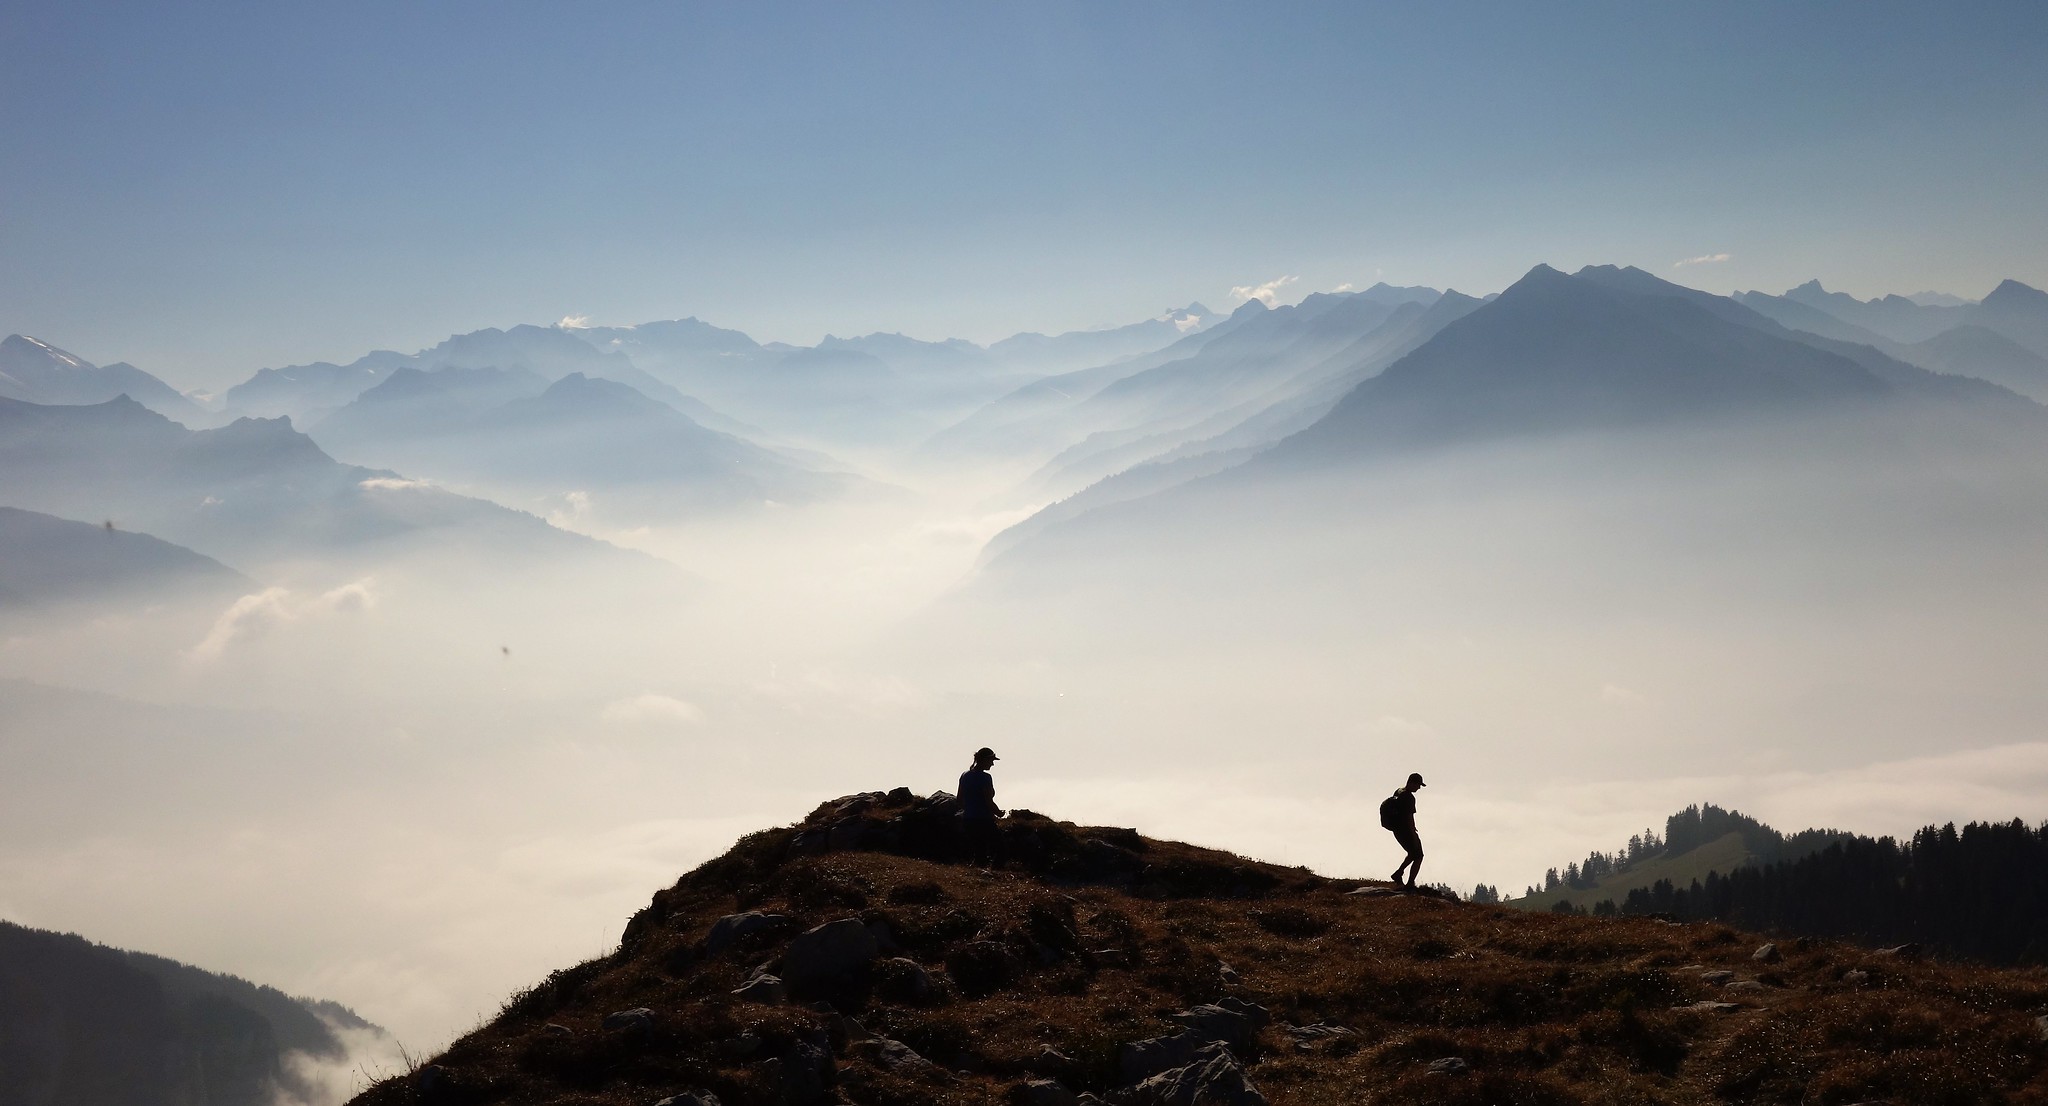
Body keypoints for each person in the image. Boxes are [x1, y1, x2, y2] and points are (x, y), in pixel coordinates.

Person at [958, 746, 1005, 867]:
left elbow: (959, 799)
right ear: (984, 760)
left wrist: (969, 809)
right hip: (983, 820)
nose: (992, 764)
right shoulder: (985, 778)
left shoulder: (965, 775)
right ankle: (994, 874)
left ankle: (977, 876)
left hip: (968, 819)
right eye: (991, 761)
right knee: (1000, 847)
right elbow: (988, 801)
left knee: (979, 850)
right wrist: (999, 813)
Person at [1383, 772, 1426, 888]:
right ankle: (1410, 882)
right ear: (1412, 783)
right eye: (1418, 785)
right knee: (1419, 855)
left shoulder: (1399, 791)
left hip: (1397, 830)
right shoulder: (1409, 798)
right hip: (1405, 830)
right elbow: (1409, 817)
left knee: (1412, 854)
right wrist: (1413, 833)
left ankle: (1398, 873)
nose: (1418, 788)